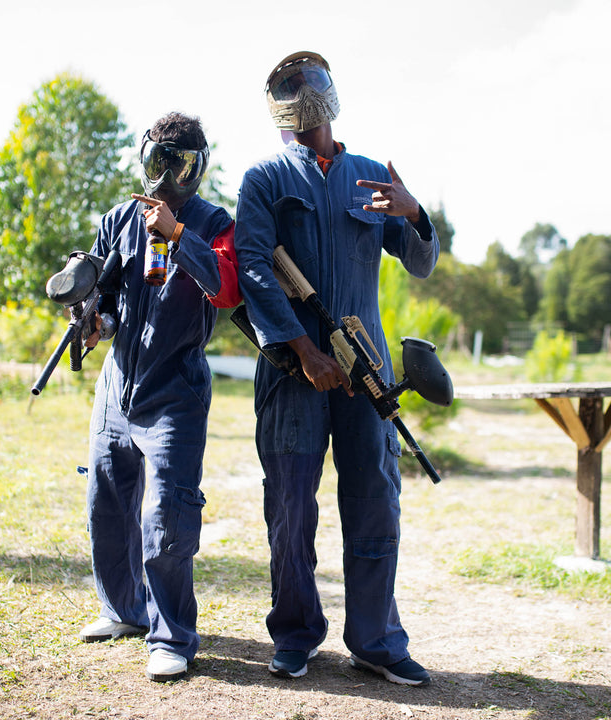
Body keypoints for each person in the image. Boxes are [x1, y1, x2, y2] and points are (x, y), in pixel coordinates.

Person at [234, 52, 440, 684]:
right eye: (289, 85)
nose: (304, 91)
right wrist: (303, 349)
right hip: (294, 372)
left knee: (376, 500)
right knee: (291, 507)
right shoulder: (264, 179)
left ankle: (376, 639)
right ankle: (295, 634)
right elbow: (252, 267)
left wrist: (413, 213)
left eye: (312, 78)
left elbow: (422, 262)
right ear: (278, 106)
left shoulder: (372, 177)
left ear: (331, 90)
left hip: (366, 369)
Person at [79, 111, 241, 682]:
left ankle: (171, 635)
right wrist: (94, 317)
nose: (164, 178)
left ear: (196, 170)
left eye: (178, 166)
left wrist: (177, 234)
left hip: (176, 389)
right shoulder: (118, 217)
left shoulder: (216, 223)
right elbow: (107, 295)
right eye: (157, 163)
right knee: (108, 502)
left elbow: (224, 289)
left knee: (166, 512)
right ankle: (122, 610)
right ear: (144, 160)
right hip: (118, 385)